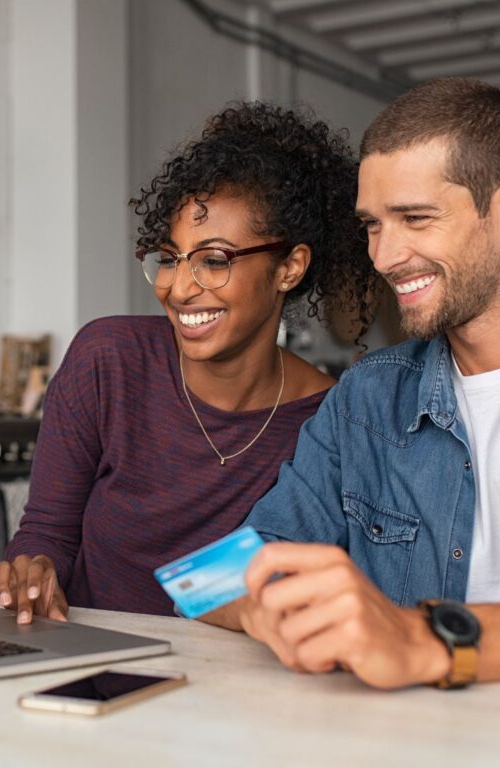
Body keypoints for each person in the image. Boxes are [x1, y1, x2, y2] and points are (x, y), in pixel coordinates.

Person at [0, 102, 375, 622]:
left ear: (289, 268)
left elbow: (264, 582)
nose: (180, 288)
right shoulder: (109, 360)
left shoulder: (329, 421)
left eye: (214, 260)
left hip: (219, 693)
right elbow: (46, 533)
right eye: (169, 258)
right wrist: (29, 575)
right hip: (79, 678)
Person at [203, 77, 500, 689]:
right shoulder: (367, 400)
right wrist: (273, 607)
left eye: (415, 218)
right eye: (372, 224)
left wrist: (423, 639)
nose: (385, 257)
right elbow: (210, 579)